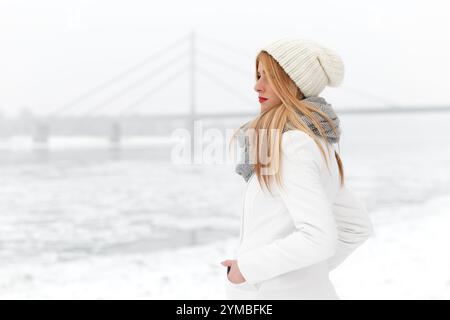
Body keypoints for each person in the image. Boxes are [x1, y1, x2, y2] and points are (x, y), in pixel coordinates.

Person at [221, 37, 374, 299]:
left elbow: (318, 237)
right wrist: (305, 273)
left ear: (294, 83)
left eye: (268, 76)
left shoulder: (292, 144)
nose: (256, 85)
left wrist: (246, 270)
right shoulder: (315, 142)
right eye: (258, 75)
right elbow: (356, 226)